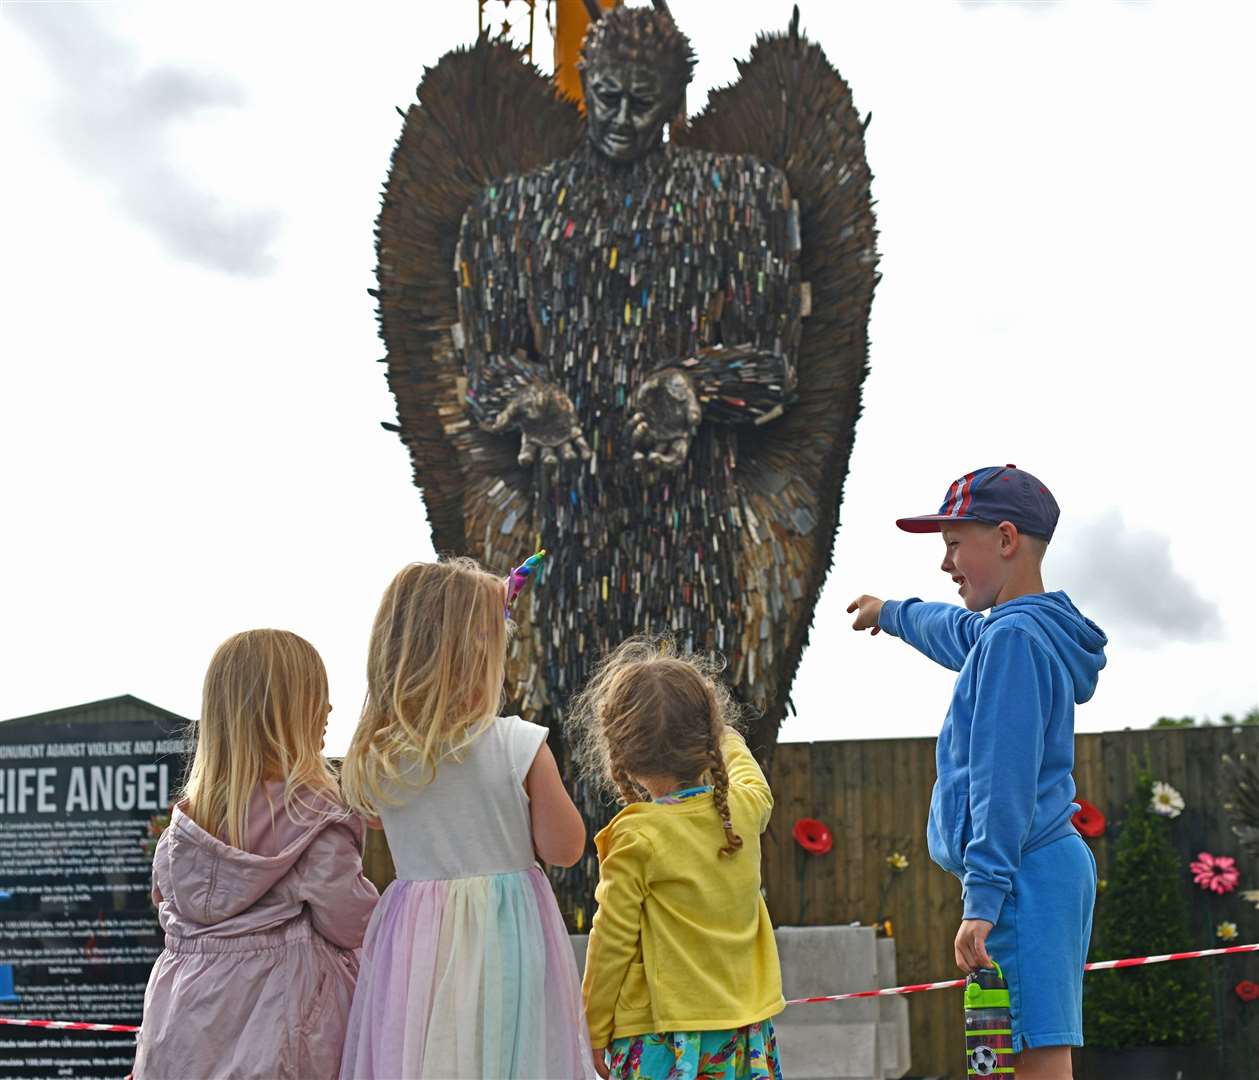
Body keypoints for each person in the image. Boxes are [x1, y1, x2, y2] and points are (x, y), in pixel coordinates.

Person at [848, 465, 1107, 1080]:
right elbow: (956, 630)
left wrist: (983, 898)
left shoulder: (1013, 642)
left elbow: (1001, 782)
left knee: (1034, 1059)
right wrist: (891, 613)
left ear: (1007, 539)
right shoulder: (1021, 631)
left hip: (1021, 877)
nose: (945, 563)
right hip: (1041, 870)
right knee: (1033, 1050)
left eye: (955, 543)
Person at [337, 558, 591, 1079]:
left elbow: (381, 821)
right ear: (479, 654)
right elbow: (565, 848)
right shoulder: (518, 744)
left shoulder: (382, 758)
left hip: (415, 946)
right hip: (506, 940)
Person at [133, 630, 379, 1080]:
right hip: (285, 1041)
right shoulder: (311, 819)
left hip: (184, 1033)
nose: (329, 710)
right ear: (284, 714)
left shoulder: (181, 834)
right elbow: (352, 923)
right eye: (318, 696)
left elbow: (170, 909)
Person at [568, 637, 785, 1080]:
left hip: (659, 1040)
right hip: (742, 1031)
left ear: (622, 755)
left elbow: (610, 943)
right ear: (704, 739)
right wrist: (723, 735)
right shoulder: (742, 810)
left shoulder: (637, 835)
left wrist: (592, 1027)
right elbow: (752, 781)